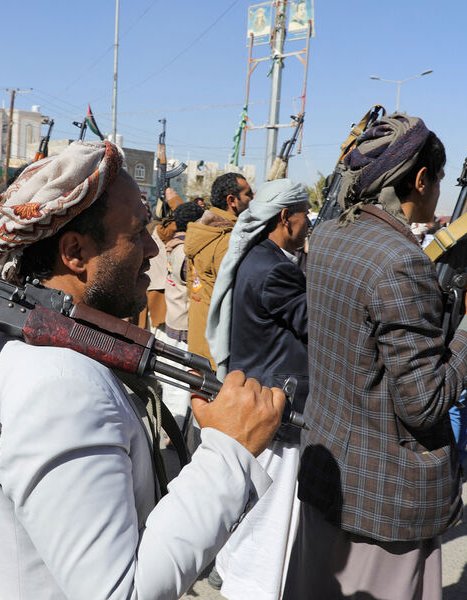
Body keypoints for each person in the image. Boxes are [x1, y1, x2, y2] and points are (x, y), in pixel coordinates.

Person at [0, 141, 287, 599]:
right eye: (137, 233)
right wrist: (229, 453)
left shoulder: (10, 338)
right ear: (75, 252)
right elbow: (121, 592)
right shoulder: (61, 386)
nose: (152, 249)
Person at [284, 114, 467, 599]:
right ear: (421, 179)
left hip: (331, 475)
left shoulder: (329, 235)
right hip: (383, 496)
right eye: (439, 179)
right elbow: (424, 403)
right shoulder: (400, 260)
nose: (440, 191)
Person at [205, 179, 310, 599]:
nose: (309, 224)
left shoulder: (261, 257)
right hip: (274, 405)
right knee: (269, 520)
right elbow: (315, 323)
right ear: (286, 217)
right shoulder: (274, 269)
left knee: (253, 512)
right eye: (305, 215)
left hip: (259, 395)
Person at [184, 172, 254, 362]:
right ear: (232, 200)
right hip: (219, 350)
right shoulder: (228, 240)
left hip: (199, 339)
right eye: (248, 194)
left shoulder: (202, 231)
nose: (253, 198)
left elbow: (193, 287)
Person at [157, 201, 204, 429]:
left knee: (172, 381)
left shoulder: (173, 245)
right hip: (185, 324)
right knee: (181, 382)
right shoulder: (188, 251)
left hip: (173, 317)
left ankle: (170, 428)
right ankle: (174, 431)